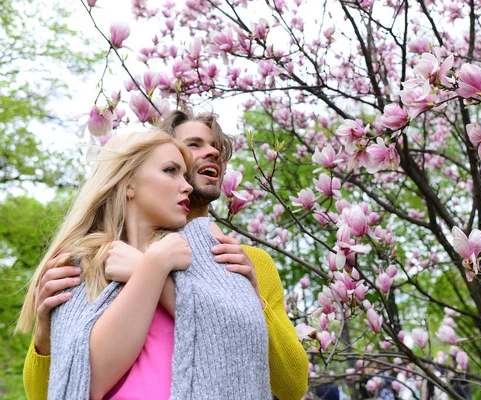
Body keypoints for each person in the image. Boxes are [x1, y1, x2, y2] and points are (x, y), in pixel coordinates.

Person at [21, 110, 309, 399]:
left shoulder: (243, 262)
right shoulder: (94, 259)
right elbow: (55, 389)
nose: (212, 153)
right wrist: (45, 338)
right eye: (193, 145)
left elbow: (292, 386)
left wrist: (249, 300)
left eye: (217, 148)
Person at [16, 129, 198, 398]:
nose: (187, 186)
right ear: (128, 183)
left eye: (185, 175)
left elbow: (232, 343)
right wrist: (154, 265)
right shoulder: (82, 262)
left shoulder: (197, 256)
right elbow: (83, 380)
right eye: (170, 171)